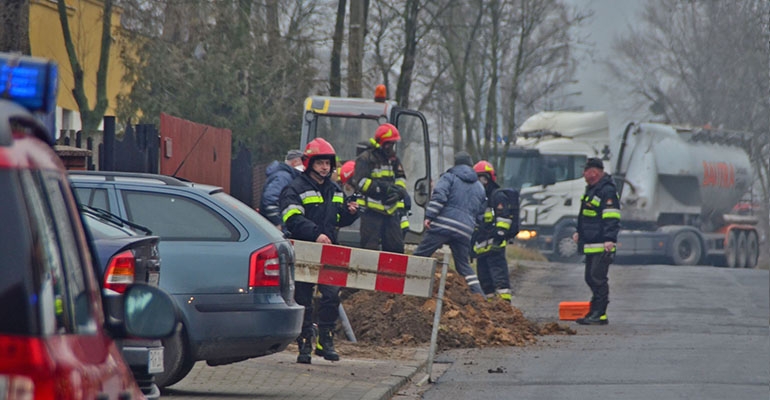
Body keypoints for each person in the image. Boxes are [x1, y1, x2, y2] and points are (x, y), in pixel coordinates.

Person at [279, 138, 360, 363]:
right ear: (309, 163)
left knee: (332, 295)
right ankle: (304, 342)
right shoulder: (294, 188)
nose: (325, 167)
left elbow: (338, 218)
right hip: (304, 250)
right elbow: (291, 219)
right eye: (320, 163)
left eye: (328, 163)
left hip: (329, 251)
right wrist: (315, 234)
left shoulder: (334, 189)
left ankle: (326, 339)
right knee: (303, 297)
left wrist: (351, 212)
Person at [413, 152, 486, 295]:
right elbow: (480, 213)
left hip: (443, 226)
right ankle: (479, 296)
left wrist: (429, 216)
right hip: (464, 231)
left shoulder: (449, 177)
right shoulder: (480, 187)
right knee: (464, 266)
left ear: (456, 163)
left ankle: (408, 286)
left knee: (421, 254)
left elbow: (440, 197)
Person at [572, 157, 621, 325]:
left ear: (594, 172)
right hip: (591, 243)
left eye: (585, 171)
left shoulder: (606, 191)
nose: (583, 174)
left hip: (602, 243)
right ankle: (594, 310)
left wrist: (610, 239)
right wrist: (579, 232)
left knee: (597, 277)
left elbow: (611, 217)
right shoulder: (592, 189)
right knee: (590, 277)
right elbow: (585, 216)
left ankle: (600, 314)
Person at [351, 123, 408, 253]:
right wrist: (382, 188)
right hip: (371, 212)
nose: (391, 147)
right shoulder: (366, 158)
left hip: (391, 211)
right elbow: (360, 182)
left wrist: (399, 192)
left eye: (393, 144)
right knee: (369, 249)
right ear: (381, 143)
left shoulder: (394, 160)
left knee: (396, 248)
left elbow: (401, 178)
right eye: (389, 143)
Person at [472, 160, 519, 302]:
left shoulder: (497, 196)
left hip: (495, 247)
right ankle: (491, 310)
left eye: (483, 178)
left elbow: (504, 218)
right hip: (481, 250)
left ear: (490, 178)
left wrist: (499, 235)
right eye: (478, 179)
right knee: (485, 282)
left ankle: (504, 306)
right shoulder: (480, 199)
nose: (482, 183)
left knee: (500, 279)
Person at [259, 149, 304, 229]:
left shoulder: (284, 176)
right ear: (295, 162)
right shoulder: (283, 177)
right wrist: (279, 222)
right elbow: (270, 200)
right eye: (303, 163)